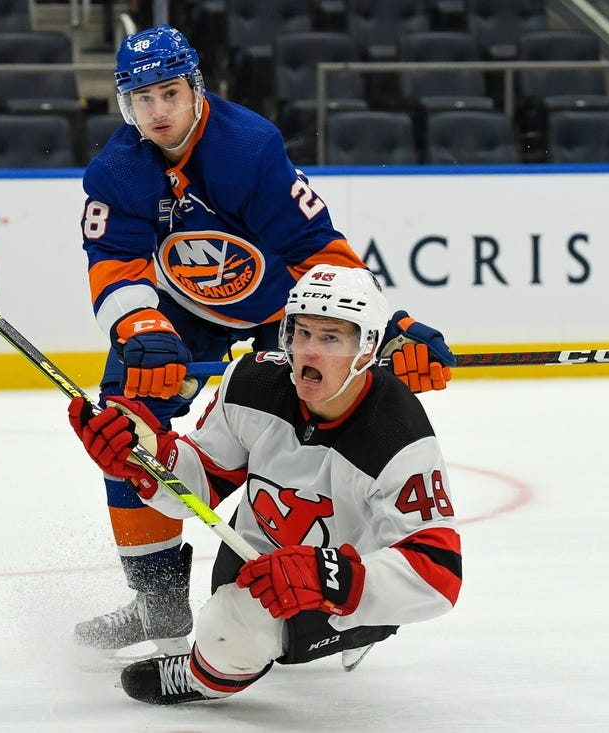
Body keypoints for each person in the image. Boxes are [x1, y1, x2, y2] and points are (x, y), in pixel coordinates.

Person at [75, 24, 455, 660]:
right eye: (143, 99)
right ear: (125, 105)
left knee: (326, 417)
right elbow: (114, 260)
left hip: (279, 310)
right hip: (183, 312)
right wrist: (141, 327)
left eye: (170, 93)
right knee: (125, 422)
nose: (158, 111)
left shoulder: (247, 148)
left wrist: (387, 329)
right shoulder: (117, 169)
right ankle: (157, 602)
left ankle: (350, 584)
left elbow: (316, 248)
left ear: (197, 88)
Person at [67, 265, 462, 704]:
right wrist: (147, 459)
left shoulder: (398, 435)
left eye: (330, 338)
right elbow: (203, 479)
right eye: (301, 333)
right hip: (254, 559)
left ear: (367, 347)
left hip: (347, 591)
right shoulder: (252, 382)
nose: (309, 352)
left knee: (228, 629)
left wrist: (329, 576)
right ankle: (240, 645)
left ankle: (203, 677)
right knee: (231, 606)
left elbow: (437, 577)